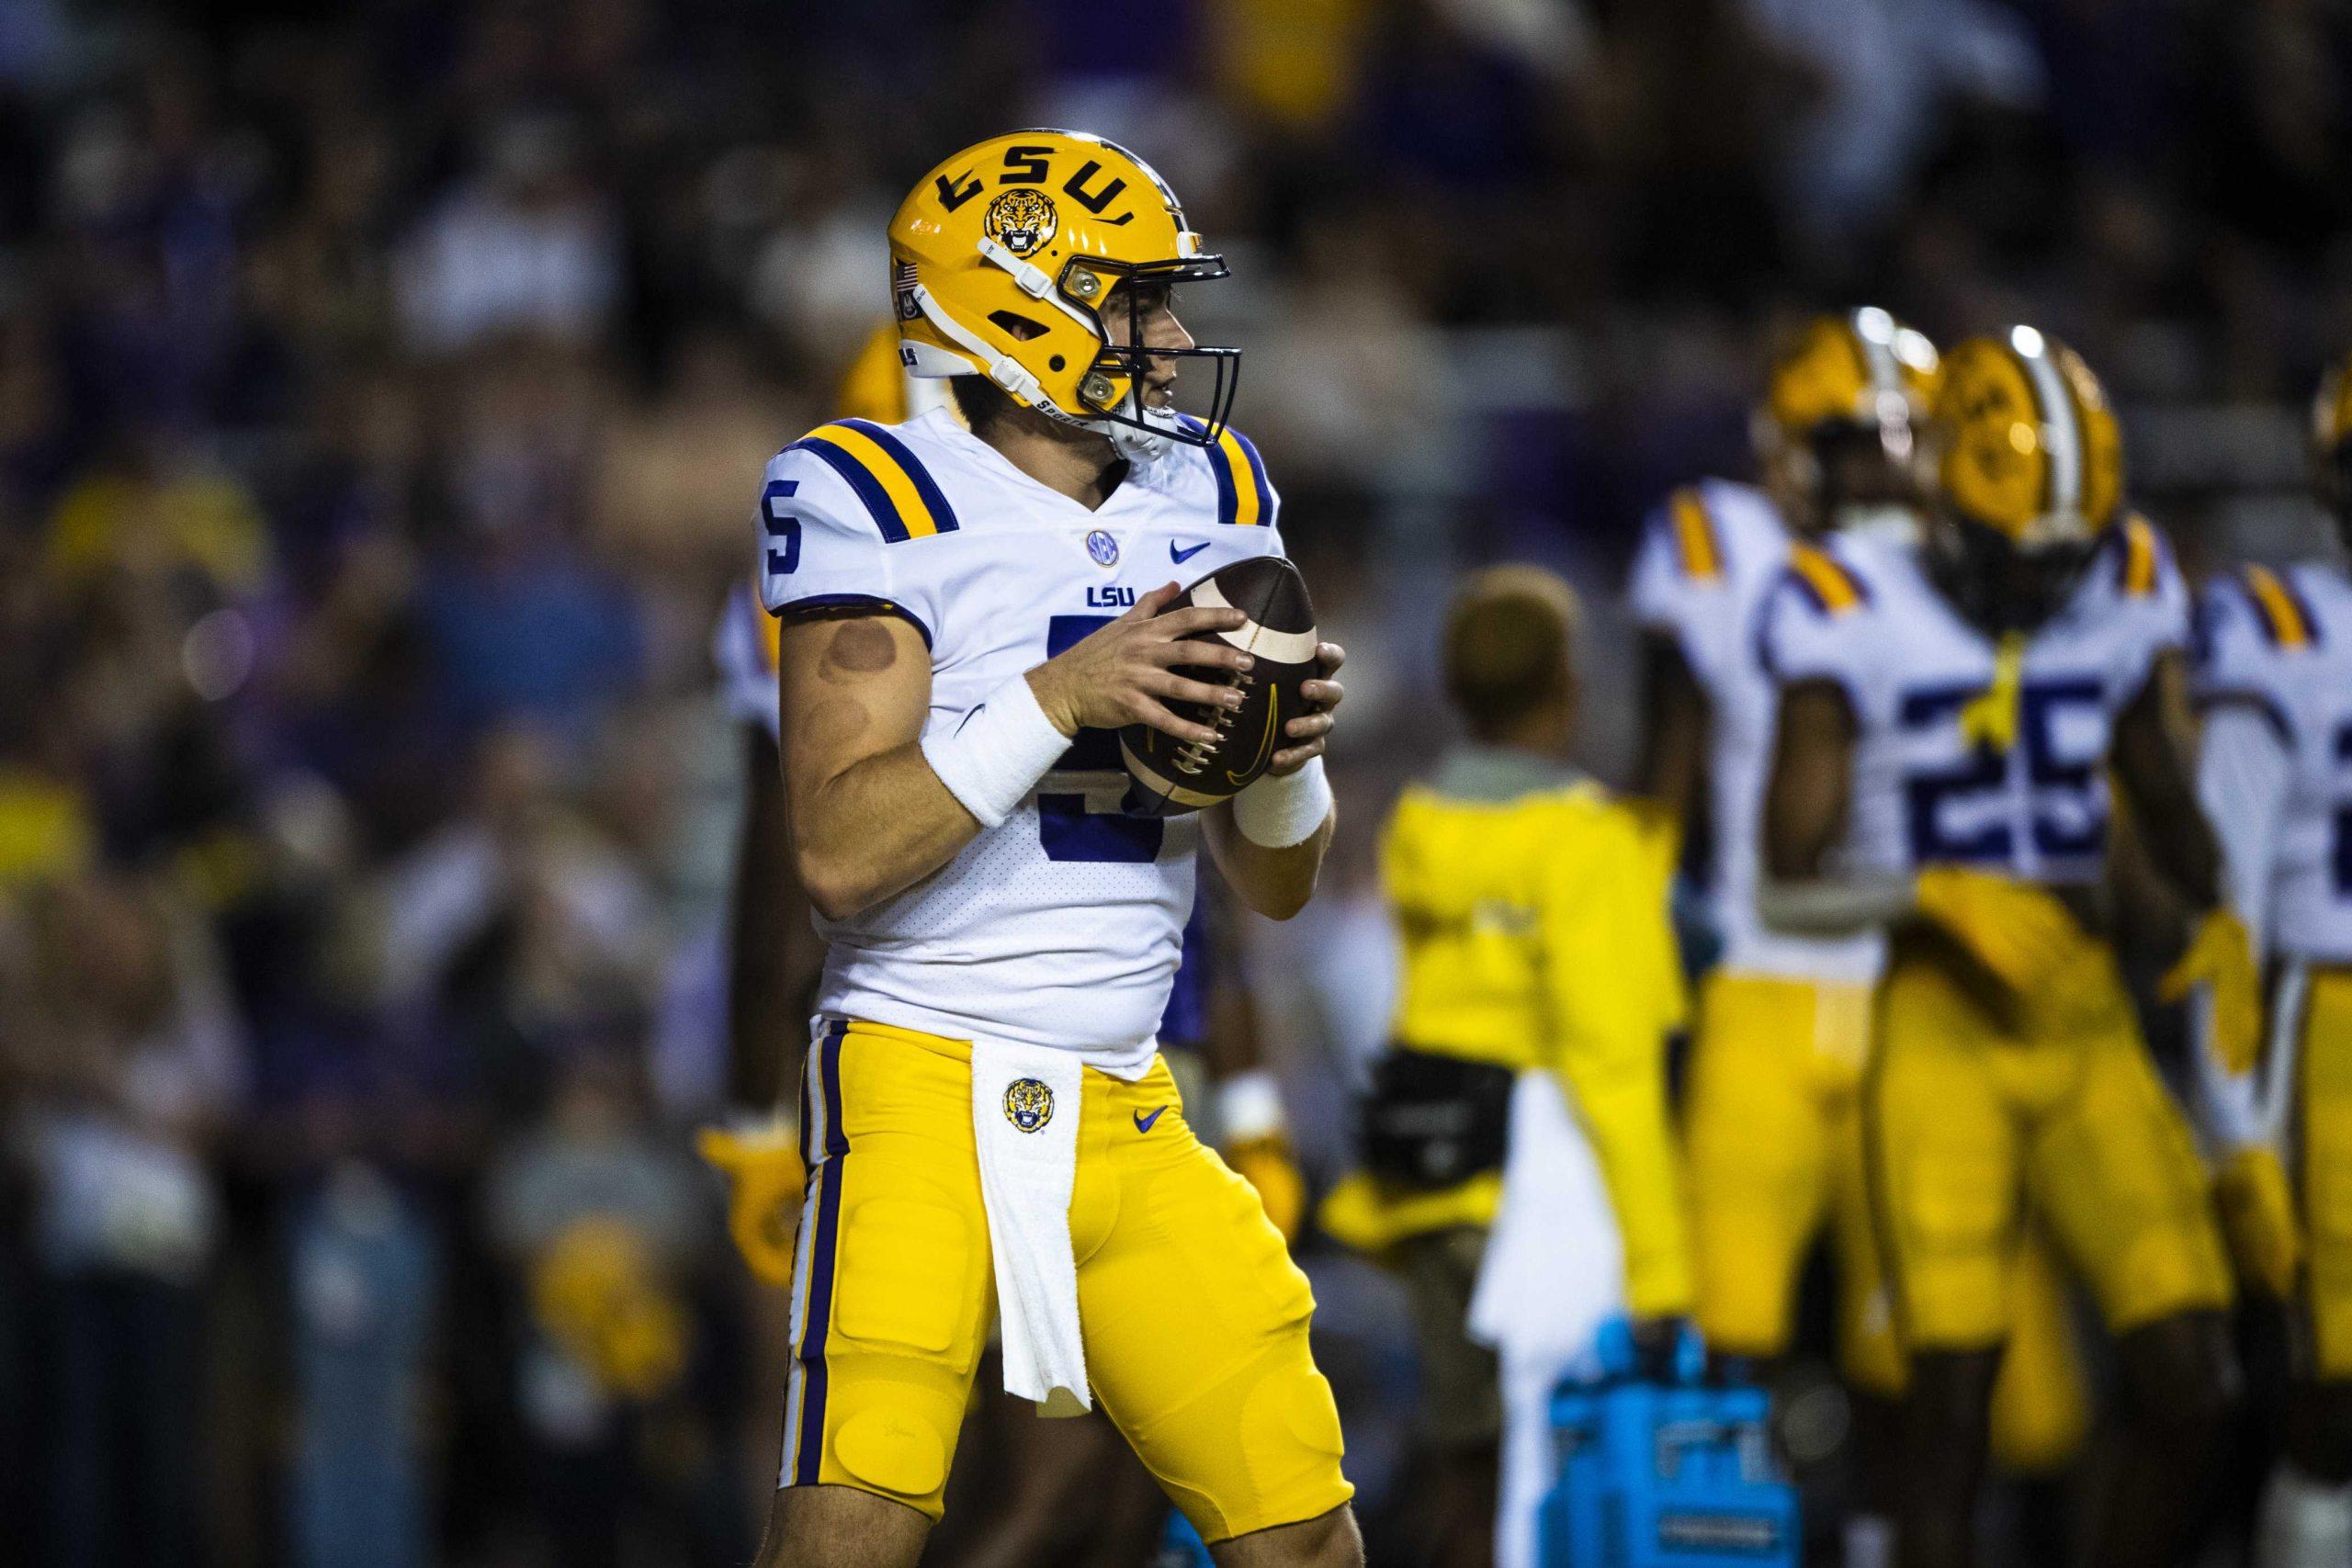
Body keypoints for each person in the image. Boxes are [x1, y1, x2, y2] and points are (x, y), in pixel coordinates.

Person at [746, 130, 1356, 1568]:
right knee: (848, 1533)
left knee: (1302, 1536)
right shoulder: (870, 489)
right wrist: (1058, 693)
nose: (1178, 337)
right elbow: (836, 853)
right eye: (1140, 303)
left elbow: (1275, 885)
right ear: (1023, 309)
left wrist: (1280, 764)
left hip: (1132, 1101)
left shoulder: (1209, 495)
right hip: (919, 1075)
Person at [1754, 326, 2253, 1568]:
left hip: (2085, 1014)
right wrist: (1926, 895)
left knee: (2195, 1369)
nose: (2039, 590)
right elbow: (1784, 878)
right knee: (1949, 1410)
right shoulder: (1847, 598)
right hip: (1939, 1015)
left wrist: (2218, 915)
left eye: (2064, 564)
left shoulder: (2122, 578)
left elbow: (2160, 788)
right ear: (1938, 494)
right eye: (2010, 557)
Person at [1630, 310, 2086, 1557]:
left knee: (1936, 1346)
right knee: (1725, 1326)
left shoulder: (1975, 567)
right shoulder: (1713, 542)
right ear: (1788, 449)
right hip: (1765, 978)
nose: (1886, 468)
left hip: (1914, 993)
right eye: (1855, 441)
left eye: (1904, 440)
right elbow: (1666, 780)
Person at [1324, 565, 1689, 1568]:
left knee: (1467, 1470)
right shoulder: (1583, 845)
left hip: (1435, 1190)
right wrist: (1660, 1269)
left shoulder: (1422, 823)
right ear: (1568, 686)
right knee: (1546, 1487)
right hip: (1543, 1209)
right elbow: (1610, 1062)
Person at [2193, 351, 2352, 1568]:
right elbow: (2225, 896)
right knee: (2330, 1386)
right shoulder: (2283, 630)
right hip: (2329, 1020)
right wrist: (2234, 1121)